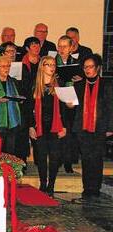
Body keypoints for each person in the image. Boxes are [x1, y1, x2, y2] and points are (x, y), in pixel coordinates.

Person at [71, 54, 113, 199]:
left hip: (100, 127)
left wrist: (110, 128)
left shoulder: (107, 85)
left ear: (98, 68)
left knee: (97, 158)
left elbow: (110, 107)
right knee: (86, 158)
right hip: (82, 127)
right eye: (85, 67)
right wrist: (70, 105)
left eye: (90, 67)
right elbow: (75, 106)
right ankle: (87, 187)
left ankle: (95, 187)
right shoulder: (79, 85)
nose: (87, 70)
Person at [29, 56, 67, 195]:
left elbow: (65, 108)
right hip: (39, 126)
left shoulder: (59, 83)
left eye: (53, 65)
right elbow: (28, 108)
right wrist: (31, 126)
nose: (51, 67)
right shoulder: (34, 84)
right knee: (41, 157)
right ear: (42, 67)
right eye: (48, 64)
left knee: (54, 157)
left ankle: (51, 185)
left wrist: (65, 127)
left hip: (55, 126)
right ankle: (43, 183)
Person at [56, 35, 80, 173]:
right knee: (60, 131)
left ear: (71, 48)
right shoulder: (53, 62)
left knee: (71, 133)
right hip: (57, 101)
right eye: (59, 46)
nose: (61, 49)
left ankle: (69, 162)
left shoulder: (77, 63)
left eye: (65, 46)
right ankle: (58, 159)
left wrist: (78, 80)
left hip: (72, 101)